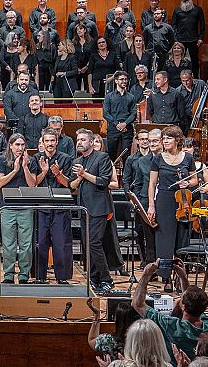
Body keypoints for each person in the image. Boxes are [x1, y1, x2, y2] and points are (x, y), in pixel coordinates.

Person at [133, 259, 208, 364]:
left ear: (184, 307)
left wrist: (146, 274)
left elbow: (138, 304)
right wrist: (183, 277)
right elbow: (194, 303)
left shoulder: (171, 325)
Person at [147, 125, 197, 289]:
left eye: (168, 138)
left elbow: (195, 181)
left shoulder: (188, 158)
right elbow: (152, 184)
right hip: (164, 201)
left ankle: (180, 275)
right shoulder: (158, 159)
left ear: (177, 140)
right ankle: (166, 278)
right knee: (164, 240)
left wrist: (187, 183)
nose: (165, 141)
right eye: (164, 138)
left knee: (181, 239)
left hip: (182, 201)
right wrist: (151, 206)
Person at [70, 129, 114, 292]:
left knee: (94, 242)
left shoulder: (102, 157)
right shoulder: (77, 161)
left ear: (91, 142)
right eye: (78, 139)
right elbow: (71, 186)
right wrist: (80, 177)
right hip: (83, 208)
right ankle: (94, 279)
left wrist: (84, 174)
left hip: (99, 207)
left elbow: (103, 181)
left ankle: (106, 278)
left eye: (82, 139)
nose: (79, 142)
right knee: (89, 244)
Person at [31, 128, 74, 283]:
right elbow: (33, 183)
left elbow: (69, 185)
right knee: (40, 242)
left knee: (61, 243)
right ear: (42, 142)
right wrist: (44, 172)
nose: (49, 143)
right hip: (41, 206)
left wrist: (57, 173)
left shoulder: (66, 158)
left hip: (60, 207)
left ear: (57, 142)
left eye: (52, 140)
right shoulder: (36, 158)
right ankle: (39, 277)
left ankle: (62, 277)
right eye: (46, 141)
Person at [0, 134, 36, 284]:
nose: (20, 148)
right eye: (17, 145)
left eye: (22, 145)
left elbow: (32, 184)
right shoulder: (2, 160)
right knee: (9, 245)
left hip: (25, 207)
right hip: (7, 207)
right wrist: (14, 170)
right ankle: (8, 274)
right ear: (10, 145)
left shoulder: (31, 161)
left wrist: (24, 167)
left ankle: (24, 275)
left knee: (26, 245)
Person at [128, 129, 160, 267]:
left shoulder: (166, 158)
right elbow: (138, 182)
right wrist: (139, 202)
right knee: (149, 237)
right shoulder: (142, 161)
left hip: (164, 202)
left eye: (154, 140)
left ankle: (165, 271)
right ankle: (150, 267)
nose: (150, 143)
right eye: (149, 140)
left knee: (162, 236)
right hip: (146, 202)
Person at [103, 71, 137, 161]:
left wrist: (125, 124)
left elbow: (134, 113)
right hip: (113, 129)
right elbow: (105, 113)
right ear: (116, 81)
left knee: (127, 156)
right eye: (122, 79)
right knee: (111, 154)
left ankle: (126, 175)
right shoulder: (109, 97)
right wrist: (117, 124)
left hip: (127, 129)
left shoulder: (131, 97)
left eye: (126, 79)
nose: (124, 81)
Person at [172, 0, 206, 77]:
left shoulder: (198, 9)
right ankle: (180, 77)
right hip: (180, 40)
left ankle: (195, 79)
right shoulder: (177, 10)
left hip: (193, 40)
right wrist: (175, 39)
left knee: (194, 61)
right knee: (179, 60)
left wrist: (201, 38)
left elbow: (202, 24)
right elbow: (173, 25)